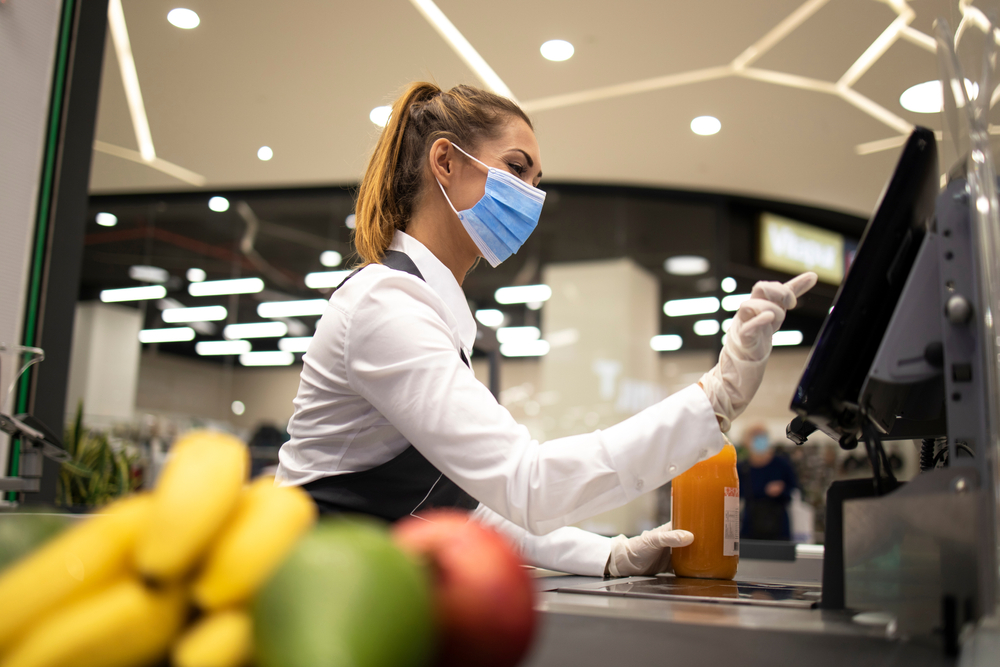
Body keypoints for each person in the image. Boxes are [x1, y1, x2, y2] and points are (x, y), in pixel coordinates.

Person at [276, 82, 817, 576]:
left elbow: (473, 509)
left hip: (363, 583)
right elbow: (526, 482)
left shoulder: (427, 308)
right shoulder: (385, 304)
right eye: (516, 168)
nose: (530, 197)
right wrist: (715, 397)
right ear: (445, 160)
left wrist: (610, 554)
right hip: (311, 591)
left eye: (537, 181)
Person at [738, 426, 800, 541]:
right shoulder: (742, 468)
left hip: (778, 525)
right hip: (751, 525)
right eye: (754, 435)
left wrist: (782, 489)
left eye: (762, 435)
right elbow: (738, 493)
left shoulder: (781, 464)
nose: (759, 440)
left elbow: (794, 488)